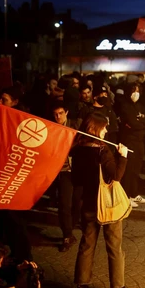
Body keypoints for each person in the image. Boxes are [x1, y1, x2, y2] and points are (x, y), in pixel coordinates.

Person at [71, 112, 129, 288]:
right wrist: (123, 157)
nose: (106, 131)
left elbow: (76, 179)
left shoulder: (78, 149)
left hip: (88, 203)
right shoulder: (103, 152)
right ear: (95, 128)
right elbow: (116, 176)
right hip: (108, 205)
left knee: (87, 244)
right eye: (104, 127)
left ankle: (81, 285)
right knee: (114, 245)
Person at [51, 102, 79, 252]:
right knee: (64, 204)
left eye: (61, 113)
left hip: (77, 169)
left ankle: (71, 227)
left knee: (77, 202)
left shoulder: (75, 125)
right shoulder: (52, 128)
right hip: (63, 170)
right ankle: (67, 235)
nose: (58, 117)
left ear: (66, 112)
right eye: (55, 114)